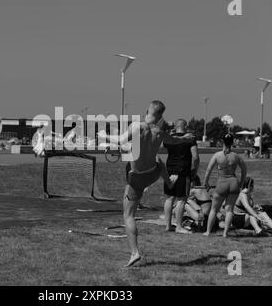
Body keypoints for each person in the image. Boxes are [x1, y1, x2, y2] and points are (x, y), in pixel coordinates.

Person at [98, 100, 194, 267]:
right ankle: (169, 181)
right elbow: (175, 141)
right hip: (153, 174)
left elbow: (120, 140)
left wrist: (104, 136)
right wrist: (185, 137)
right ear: (160, 115)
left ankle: (135, 252)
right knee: (157, 160)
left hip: (138, 178)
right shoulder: (159, 131)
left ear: (148, 110)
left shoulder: (137, 126)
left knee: (128, 216)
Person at [203, 133, 247, 237]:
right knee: (229, 209)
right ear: (232, 143)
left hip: (222, 182)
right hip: (233, 183)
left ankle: (208, 232)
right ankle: (225, 233)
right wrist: (241, 183)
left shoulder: (217, 155)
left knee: (214, 209)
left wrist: (206, 183)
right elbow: (244, 170)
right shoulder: (236, 156)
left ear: (223, 142)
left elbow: (208, 170)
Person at [163, 119, 200, 234]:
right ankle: (179, 226)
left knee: (169, 198)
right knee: (182, 199)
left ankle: (168, 225)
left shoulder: (169, 138)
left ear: (174, 126)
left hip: (169, 171)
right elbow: (195, 157)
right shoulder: (190, 138)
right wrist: (195, 170)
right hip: (183, 171)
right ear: (186, 126)